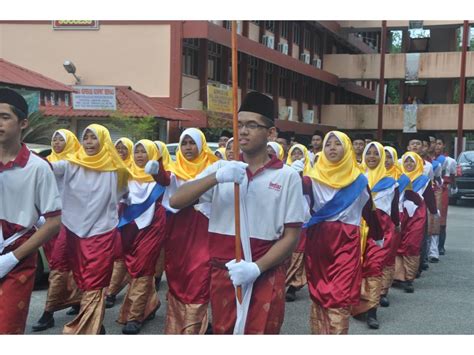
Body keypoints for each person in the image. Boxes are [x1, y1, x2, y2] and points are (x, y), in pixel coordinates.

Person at [170, 91, 306, 334]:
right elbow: (177, 201)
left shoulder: (286, 177)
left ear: (271, 133)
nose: (243, 131)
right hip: (225, 273)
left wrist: (257, 268)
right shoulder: (223, 168)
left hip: (265, 274)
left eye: (252, 125)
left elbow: (291, 236)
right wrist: (216, 177)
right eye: (240, 124)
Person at [50, 124, 130, 334]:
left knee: (95, 280)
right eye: (85, 138)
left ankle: (86, 330)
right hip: (75, 230)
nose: (89, 142)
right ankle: (96, 324)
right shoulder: (70, 164)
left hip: (102, 231)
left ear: (103, 140)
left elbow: (123, 194)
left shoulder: (116, 168)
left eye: (93, 138)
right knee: (82, 278)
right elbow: (50, 168)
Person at [303, 131, 382, 334]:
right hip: (318, 241)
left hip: (346, 241)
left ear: (346, 148)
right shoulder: (310, 179)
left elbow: (369, 212)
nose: (331, 148)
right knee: (319, 292)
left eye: (337, 144)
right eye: (328, 144)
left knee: (339, 294)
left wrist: (378, 235)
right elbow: (301, 212)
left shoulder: (359, 181)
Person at [0, 88, 62, 334]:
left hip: (17, 257)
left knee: (7, 329)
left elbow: (53, 222)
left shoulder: (37, 168)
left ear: (23, 123)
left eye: (4, 117)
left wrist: (11, 259)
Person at [161, 127, 218, 334]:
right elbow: (165, 182)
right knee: (178, 274)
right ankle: (180, 325)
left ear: (201, 144)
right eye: (184, 143)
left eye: (192, 143)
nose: (187, 148)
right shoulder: (175, 170)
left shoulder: (214, 168)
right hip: (178, 230)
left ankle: (195, 328)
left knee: (199, 275)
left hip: (204, 229)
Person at [116, 139, 170, 334]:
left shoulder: (158, 174)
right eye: (137, 151)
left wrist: (156, 170)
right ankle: (151, 303)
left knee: (143, 269)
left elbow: (165, 179)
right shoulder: (126, 173)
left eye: (143, 151)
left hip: (152, 228)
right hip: (129, 229)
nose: (139, 155)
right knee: (134, 270)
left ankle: (135, 317)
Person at [32, 129, 83, 332]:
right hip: (48, 220)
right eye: (54, 137)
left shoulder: (76, 163)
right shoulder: (48, 161)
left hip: (72, 221)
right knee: (59, 264)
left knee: (62, 265)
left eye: (61, 138)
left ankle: (49, 312)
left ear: (70, 141)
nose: (57, 141)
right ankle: (76, 301)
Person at [351, 142, 399, 330]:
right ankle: (354, 304)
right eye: (368, 153)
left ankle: (372, 310)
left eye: (375, 153)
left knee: (374, 267)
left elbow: (394, 209)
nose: (371, 156)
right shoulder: (355, 178)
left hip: (380, 231)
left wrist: (397, 226)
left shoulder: (390, 182)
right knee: (355, 266)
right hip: (357, 228)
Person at [394, 152, 437, 293]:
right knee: (397, 243)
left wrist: (434, 211)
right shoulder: (398, 178)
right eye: (406, 161)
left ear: (418, 163)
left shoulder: (423, 179)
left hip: (417, 215)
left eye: (412, 162)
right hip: (400, 213)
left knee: (412, 244)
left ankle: (408, 278)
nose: (409, 164)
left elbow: (430, 197)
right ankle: (397, 276)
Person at [105, 137, 135, 309]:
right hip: (108, 215)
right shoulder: (108, 166)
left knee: (119, 255)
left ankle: (112, 292)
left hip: (127, 216)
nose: (121, 151)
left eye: (125, 148)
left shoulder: (134, 168)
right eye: (118, 148)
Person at [380, 146, 409, 307]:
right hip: (369, 222)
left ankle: (383, 291)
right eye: (382, 157)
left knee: (387, 256)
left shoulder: (401, 179)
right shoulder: (367, 175)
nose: (386, 160)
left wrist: (397, 223)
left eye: (389, 157)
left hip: (392, 220)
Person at [284, 144, 313, 302]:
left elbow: (307, 189)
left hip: (303, 220)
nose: (296, 156)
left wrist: (299, 175)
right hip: (285, 219)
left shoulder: (310, 176)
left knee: (299, 253)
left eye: (299, 153)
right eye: (293, 153)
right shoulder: (282, 172)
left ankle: (294, 285)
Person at [433, 137, 456, 256]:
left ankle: (440, 246)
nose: (437, 146)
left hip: (443, 190)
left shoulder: (450, 160)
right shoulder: (428, 160)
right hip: (430, 189)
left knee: (441, 217)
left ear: (443, 146)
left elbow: (452, 176)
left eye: (439, 143)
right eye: (435, 144)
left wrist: (453, 187)